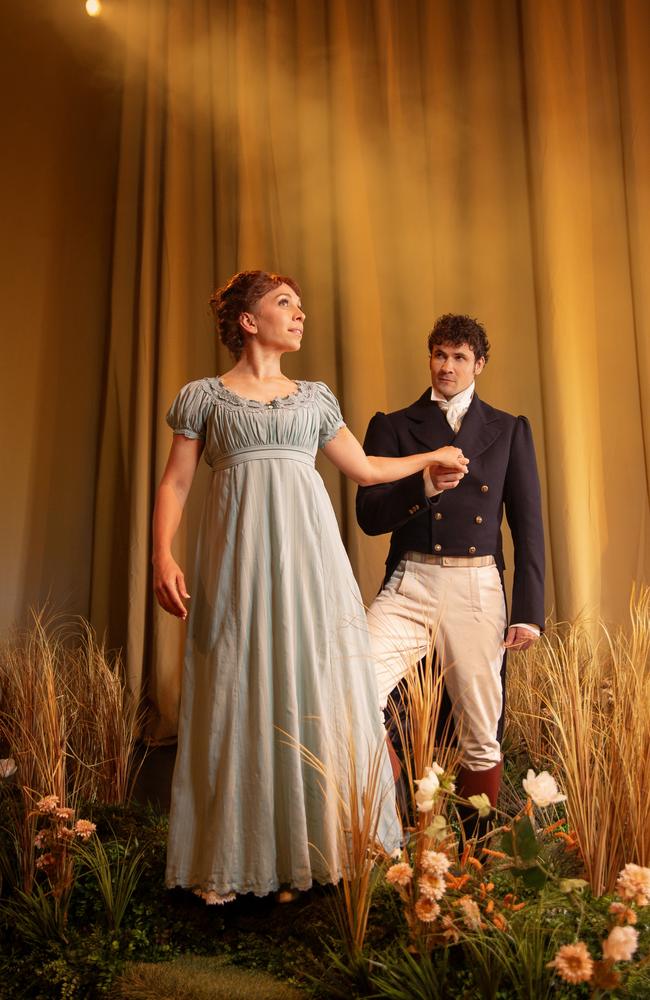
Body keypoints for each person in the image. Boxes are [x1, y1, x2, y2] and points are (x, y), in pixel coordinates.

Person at [152, 272, 468, 902]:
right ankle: (235, 860)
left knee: (316, 681)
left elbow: (365, 468)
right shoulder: (205, 399)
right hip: (239, 564)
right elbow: (176, 483)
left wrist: (426, 460)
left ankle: (326, 845)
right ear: (248, 319)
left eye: (299, 305)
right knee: (239, 685)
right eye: (284, 304)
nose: (300, 315)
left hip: (310, 565)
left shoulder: (315, 399)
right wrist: (161, 553)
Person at [356, 313, 545, 823]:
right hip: (410, 583)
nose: (447, 366)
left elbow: (528, 526)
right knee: (349, 687)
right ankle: (395, 817)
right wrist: (423, 486)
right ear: (430, 358)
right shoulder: (393, 425)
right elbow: (369, 517)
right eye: (440, 354)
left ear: (479, 364)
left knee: (482, 733)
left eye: (460, 357)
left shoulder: (508, 429)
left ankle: (472, 863)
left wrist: (528, 611)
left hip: (477, 584)